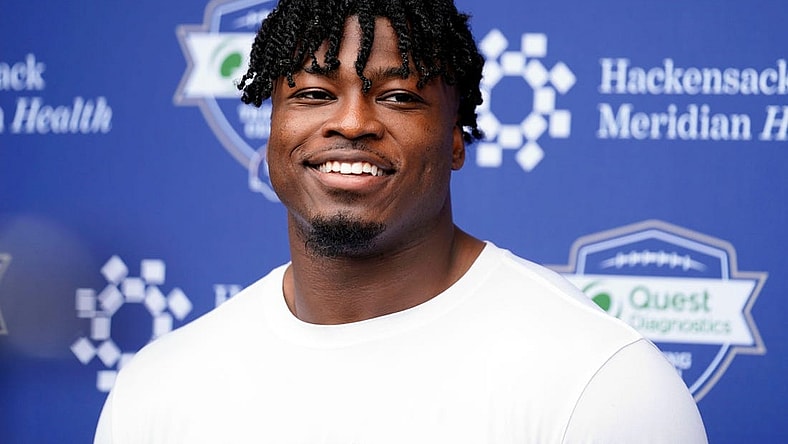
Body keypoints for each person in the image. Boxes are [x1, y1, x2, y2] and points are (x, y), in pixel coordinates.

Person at [94, 0, 707, 442]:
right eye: (312, 94)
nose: (353, 122)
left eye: (397, 96)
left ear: (457, 139)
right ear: (272, 128)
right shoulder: (158, 391)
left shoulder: (599, 382)